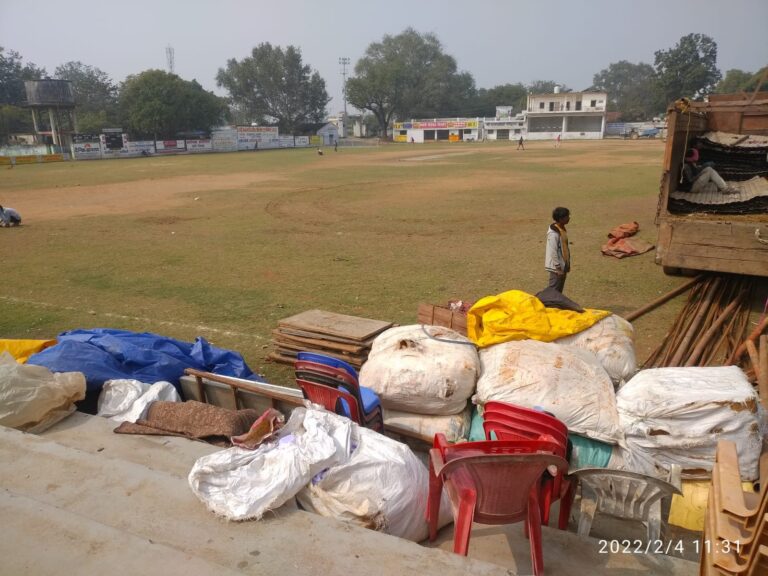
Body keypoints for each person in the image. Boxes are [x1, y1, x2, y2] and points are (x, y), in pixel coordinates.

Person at [545, 207, 571, 293]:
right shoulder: (553, 233)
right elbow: (553, 251)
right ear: (560, 219)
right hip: (556, 268)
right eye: (567, 216)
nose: (569, 218)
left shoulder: (561, 229)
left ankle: (556, 305)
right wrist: (558, 268)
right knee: (553, 291)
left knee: (559, 291)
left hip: (562, 265)